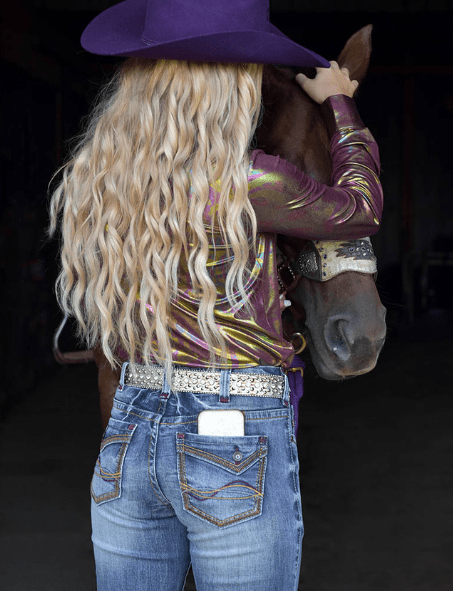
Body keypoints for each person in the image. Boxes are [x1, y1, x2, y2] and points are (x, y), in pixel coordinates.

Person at [49, 1, 383, 589]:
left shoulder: (104, 176)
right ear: (231, 85)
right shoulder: (245, 180)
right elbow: (359, 209)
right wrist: (339, 103)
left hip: (131, 424)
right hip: (231, 428)